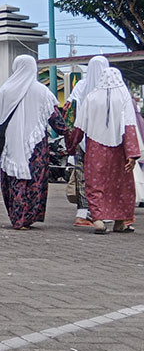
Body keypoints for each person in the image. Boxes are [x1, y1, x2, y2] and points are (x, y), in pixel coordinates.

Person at [0, 55, 67, 230]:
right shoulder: (42, 92)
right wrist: (69, 134)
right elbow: (56, 120)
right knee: (34, 182)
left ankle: (18, 218)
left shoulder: (5, 90)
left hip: (11, 144)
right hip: (36, 146)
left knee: (14, 180)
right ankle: (28, 217)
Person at [67, 68, 140, 234]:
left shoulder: (91, 97)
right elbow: (129, 125)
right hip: (119, 150)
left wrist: (72, 146)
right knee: (121, 185)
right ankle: (120, 222)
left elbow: (79, 125)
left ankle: (98, 221)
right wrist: (132, 154)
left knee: (95, 184)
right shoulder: (124, 96)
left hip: (95, 148)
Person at [65, 55, 109, 227]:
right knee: (104, 177)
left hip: (81, 139)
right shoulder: (110, 88)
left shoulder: (80, 86)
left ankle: (82, 214)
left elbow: (69, 110)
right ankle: (102, 212)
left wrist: (71, 139)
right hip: (106, 141)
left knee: (82, 177)